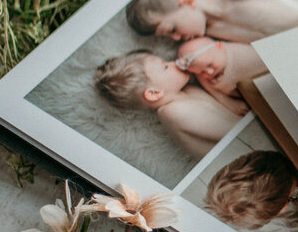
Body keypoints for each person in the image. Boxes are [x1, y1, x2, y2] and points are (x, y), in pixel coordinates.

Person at [93, 49, 241, 158]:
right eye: (165, 66)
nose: (173, 63)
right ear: (154, 93)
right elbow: (232, 134)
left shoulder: (187, 91)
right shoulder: (173, 112)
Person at [126, 0, 298, 42]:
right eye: (168, 38)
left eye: (172, 30)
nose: (176, 38)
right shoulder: (213, 35)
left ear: (188, 2)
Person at [175, 36, 269, 115]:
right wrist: (230, 103)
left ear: (220, 45)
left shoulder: (236, 51)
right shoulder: (203, 75)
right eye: (201, 72)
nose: (209, 72)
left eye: (210, 65)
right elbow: (216, 93)